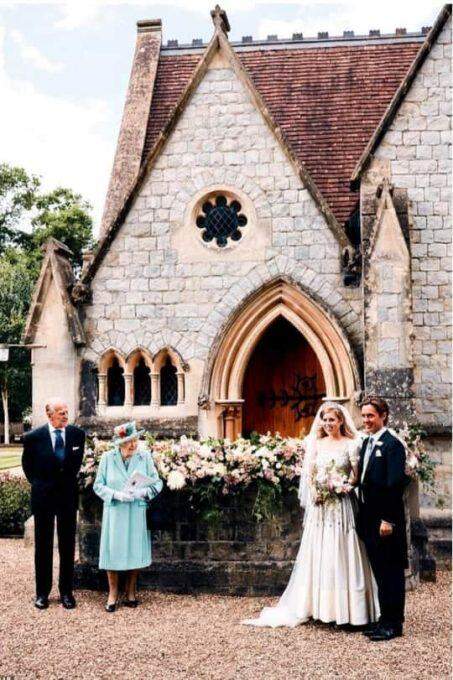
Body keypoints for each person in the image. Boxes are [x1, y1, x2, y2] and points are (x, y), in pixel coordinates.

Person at [242, 402, 379, 628]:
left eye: (332, 420)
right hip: (321, 508)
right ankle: (320, 607)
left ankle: (349, 610)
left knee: (342, 549)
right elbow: (311, 475)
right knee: (321, 550)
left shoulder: (351, 444)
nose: (328, 424)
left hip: (341, 506)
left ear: (341, 421)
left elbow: (356, 477)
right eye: (325, 420)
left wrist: (342, 486)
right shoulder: (316, 444)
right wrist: (317, 490)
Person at [22, 398, 85, 610]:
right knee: (43, 545)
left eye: (67, 412)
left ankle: (66, 591)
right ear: (50, 415)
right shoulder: (33, 438)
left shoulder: (78, 435)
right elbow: (28, 467)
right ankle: (42, 593)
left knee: (68, 545)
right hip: (43, 498)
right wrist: (42, 485)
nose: (65, 416)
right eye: (61, 413)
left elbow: (75, 466)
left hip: (67, 497)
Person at [93, 421, 163, 612]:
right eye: (128, 441)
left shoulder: (144, 456)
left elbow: (157, 484)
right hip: (115, 510)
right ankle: (113, 594)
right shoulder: (107, 458)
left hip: (136, 509)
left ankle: (131, 592)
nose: (133, 445)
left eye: (135, 440)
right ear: (119, 443)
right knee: (113, 551)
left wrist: (143, 493)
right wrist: (116, 495)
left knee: (134, 550)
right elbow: (98, 485)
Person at [358, 396, 410, 642]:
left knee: (391, 571)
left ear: (383, 416)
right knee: (380, 571)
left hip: (386, 521)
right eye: (364, 415)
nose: (366, 420)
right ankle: (384, 619)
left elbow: (395, 484)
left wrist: (388, 520)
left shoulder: (392, 445)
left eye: (371, 416)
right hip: (369, 519)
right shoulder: (368, 442)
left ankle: (394, 624)